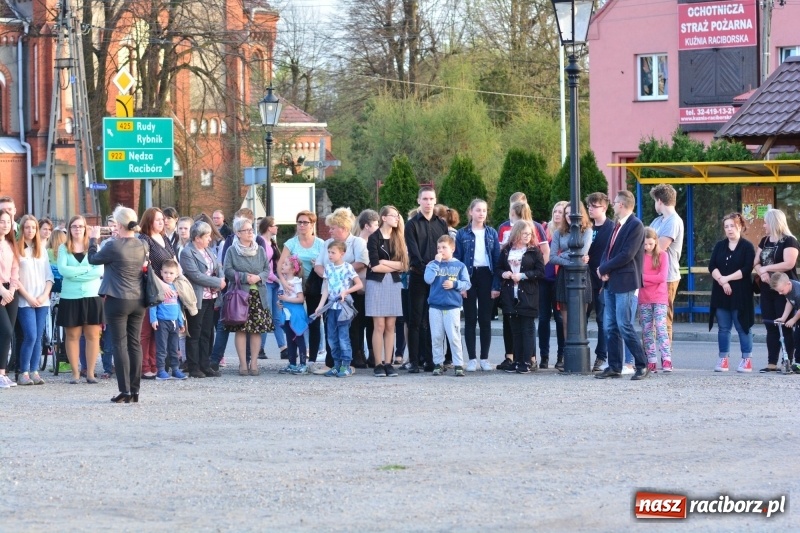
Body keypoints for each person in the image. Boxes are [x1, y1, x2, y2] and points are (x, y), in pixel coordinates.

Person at [87, 207, 148, 403]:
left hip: (117, 298)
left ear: (119, 224)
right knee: (134, 344)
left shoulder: (113, 245)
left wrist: (93, 240)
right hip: (138, 300)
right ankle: (135, 391)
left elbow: (93, 259)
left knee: (119, 345)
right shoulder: (141, 244)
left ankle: (125, 390)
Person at [595, 190, 649, 381]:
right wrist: (603, 268)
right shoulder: (617, 225)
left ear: (623, 205)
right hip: (611, 280)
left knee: (624, 324)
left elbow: (627, 254)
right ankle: (614, 366)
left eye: (615, 202)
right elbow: (608, 251)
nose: (613, 205)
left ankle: (642, 364)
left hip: (625, 281)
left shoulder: (635, 225)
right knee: (610, 326)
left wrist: (605, 267)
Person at [497, 198, 552, 370]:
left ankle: (527, 361)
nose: (527, 236)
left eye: (530, 234)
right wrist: (504, 273)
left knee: (528, 328)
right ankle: (517, 360)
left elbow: (540, 271)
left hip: (527, 292)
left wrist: (522, 275)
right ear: (517, 233)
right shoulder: (507, 249)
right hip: (510, 293)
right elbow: (498, 268)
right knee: (515, 328)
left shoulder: (534, 251)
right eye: (524, 234)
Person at [314, 208, 369, 370]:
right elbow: (318, 265)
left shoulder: (357, 242)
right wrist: (329, 275)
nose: (329, 230)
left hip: (351, 292)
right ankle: (333, 360)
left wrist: (341, 272)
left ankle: (353, 358)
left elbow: (362, 262)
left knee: (352, 327)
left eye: (333, 227)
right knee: (331, 328)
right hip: (330, 292)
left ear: (343, 228)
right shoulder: (326, 244)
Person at [405, 186, 449, 373]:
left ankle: (432, 360)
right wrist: (427, 272)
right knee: (415, 320)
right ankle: (414, 361)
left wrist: (438, 272)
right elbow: (414, 253)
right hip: (418, 275)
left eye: (431, 199)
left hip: (438, 279)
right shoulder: (412, 224)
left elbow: (445, 249)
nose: (428, 202)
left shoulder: (441, 224)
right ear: (419, 201)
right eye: (425, 199)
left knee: (434, 320)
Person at [223, 217, 273, 377]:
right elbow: (227, 271)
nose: (251, 232)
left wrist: (258, 278)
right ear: (238, 233)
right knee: (241, 330)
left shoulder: (260, 250)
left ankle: (254, 363)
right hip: (240, 295)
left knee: (256, 330)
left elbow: (266, 269)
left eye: (252, 229)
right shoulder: (232, 250)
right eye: (247, 230)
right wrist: (244, 277)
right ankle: (243, 364)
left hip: (258, 294)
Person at [57, 215, 104, 384]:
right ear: (69, 229)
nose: (77, 229)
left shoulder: (94, 247)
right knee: (72, 335)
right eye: (74, 226)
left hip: (91, 296)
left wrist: (75, 273)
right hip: (70, 297)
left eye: (81, 226)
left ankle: (90, 373)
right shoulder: (63, 248)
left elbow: (98, 271)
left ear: (86, 229)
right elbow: (63, 270)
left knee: (92, 335)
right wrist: (86, 271)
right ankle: (75, 373)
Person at [455, 199, 500, 372]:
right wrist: (461, 285)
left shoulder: (492, 233)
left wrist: (496, 285)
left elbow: (496, 260)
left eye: (484, 210)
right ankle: (472, 358)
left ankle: (484, 358)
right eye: (478, 210)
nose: (481, 213)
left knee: (485, 319)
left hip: (486, 276)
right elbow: (457, 260)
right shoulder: (462, 234)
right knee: (470, 318)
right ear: (471, 212)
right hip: (469, 276)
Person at [754, 208, 799, 373]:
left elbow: (789, 263)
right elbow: (756, 262)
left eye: (765, 222)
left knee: (785, 325)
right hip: (767, 289)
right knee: (770, 325)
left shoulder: (789, 241)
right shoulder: (764, 241)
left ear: (773, 222)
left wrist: (767, 268)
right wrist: (762, 273)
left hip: (784, 290)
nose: (764, 225)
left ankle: (788, 360)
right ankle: (771, 362)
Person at [707, 214, 754, 372]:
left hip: (741, 293)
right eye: (726, 226)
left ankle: (746, 359)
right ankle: (723, 359)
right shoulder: (720, 246)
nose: (729, 229)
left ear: (739, 226)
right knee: (723, 327)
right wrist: (722, 281)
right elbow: (712, 266)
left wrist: (727, 278)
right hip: (721, 292)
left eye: (732, 226)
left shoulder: (747, 246)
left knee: (743, 326)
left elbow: (747, 269)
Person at [180, 220, 226, 378]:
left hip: (211, 297)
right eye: (206, 236)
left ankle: (205, 365)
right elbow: (195, 275)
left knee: (207, 333)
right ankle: (194, 367)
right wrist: (217, 282)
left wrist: (220, 281)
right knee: (195, 333)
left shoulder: (209, 250)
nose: (209, 238)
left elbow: (218, 267)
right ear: (197, 238)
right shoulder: (187, 252)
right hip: (196, 298)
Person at [550, 202, 593, 371]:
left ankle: (581, 357)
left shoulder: (587, 230)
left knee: (580, 318)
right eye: (566, 213)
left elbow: (583, 251)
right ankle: (569, 357)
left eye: (572, 213)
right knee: (566, 320)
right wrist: (569, 259)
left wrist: (565, 256)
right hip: (564, 275)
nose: (568, 216)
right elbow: (552, 257)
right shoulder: (558, 232)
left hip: (581, 276)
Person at [279, 211, 325, 368]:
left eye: (305, 222)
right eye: (299, 222)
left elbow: (328, 264)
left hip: (313, 285)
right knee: (292, 321)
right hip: (294, 285)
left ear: (312, 224)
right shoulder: (291, 243)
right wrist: (284, 283)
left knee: (314, 320)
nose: (302, 225)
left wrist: (317, 265)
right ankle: (294, 358)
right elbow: (280, 266)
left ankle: (312, 358)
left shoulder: (320, 244)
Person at [366, 205, 408, 378]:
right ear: (383, 217)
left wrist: (386, 263)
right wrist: (392, 265)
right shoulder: (374, 238)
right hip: (377, 283)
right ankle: (378, 363)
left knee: (391, 325)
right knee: (379, 325)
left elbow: (404, 265)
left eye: (398, 216)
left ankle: (389, 363)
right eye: (393, 215)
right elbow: (375, 267)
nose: (397, 218)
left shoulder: (399, 238)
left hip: (394, 283)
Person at [138, 207, 178, 379]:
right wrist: (162, 284)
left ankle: (156, 364)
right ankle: (144, 365)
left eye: (163, 219)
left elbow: (173, 261)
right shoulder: (144, 239)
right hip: (150, 289)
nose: (163, 222)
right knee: (147, 329)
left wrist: (177, 280)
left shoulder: (163, 237)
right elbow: (145, 267)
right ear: (149, 221)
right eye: (158, 220)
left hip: (168, 289)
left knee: (159, 330)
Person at [314, 241, 363, 377]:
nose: (330, 255)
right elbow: (326, 289)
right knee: (332, 337)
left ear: (342, 253)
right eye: (329, 252)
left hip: (343, 308)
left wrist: (346, 292)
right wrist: (320, 306)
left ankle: (346, 365)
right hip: (331, 308)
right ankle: (336, 364)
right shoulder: (328, 268)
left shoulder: (348, 267)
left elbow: (359, 284)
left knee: (343, 337)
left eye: (333, 252)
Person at [15, 215, 53, 386]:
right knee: (30, 335)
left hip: (42, 300)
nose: (30, 230)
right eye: (27, 227)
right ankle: (23, 372)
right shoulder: (17, 249)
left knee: (38, 336)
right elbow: (15, 278)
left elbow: (49, 276)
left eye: (33, 228)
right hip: (25, 300)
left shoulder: (42, 250)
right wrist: (29, 297)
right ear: (22, 229)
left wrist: (44, 295)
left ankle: (34, 371)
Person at [425, 234, 470, 376]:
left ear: (452, 248)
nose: (441, 250)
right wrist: (436, 264)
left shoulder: (459, 265)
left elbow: (467, 283)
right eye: (438, 248)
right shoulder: (432, 264)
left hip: (452, 306)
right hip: (435, 306)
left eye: (444, 247)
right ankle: (438, 363)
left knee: (454, 336)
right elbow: (428, 279)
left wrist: (455, 284)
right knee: (437, 336)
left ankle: (458, 364)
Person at [649, 184, 684, 343]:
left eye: (655, 201)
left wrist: (646, 244)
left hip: (667, 276)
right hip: (652, 275)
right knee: (651, 319)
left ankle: (666, 356)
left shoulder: (673, 221)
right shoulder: (658, 220)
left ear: (659, 200)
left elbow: (659, 247)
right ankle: (651, 358)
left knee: (664, 318)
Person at [585, 192, 615, 372]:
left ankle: (601, 356)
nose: (590, 209)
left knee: (603, 319)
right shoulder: (585, 227)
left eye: (594, 206)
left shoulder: (611, 228)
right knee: (582, 317)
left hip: (603, 279)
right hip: (584, 279)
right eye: (589, 206)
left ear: (603, 208)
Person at [640, 227, 672, 373]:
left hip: (659, 296)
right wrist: (649, 280)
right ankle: (651, 360)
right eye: (645, 244)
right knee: (646, 329)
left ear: (656, 242)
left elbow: (662, 277)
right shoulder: (639, 256)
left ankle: (666, 359)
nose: (647, 247)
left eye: (650, 244)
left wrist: (644, 278)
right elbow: (638, 277)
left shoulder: (663, 255)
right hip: (644, 296)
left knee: (660, 327)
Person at [150, 259, 187, 380]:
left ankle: (175, 369)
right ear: (161, 272)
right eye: (166, 272)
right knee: (162, 348)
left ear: (176, 274)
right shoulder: (159, 287)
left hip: (174, 322)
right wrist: (153, 319)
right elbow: (153, 304)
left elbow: (178, 307)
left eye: (171, 273)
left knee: (174, 348)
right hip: (162, 322)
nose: (168, 275)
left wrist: (180, 322)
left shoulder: (176, 288)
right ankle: (161, 370)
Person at [352, 209, 379, 367]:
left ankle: (373, 353)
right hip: (358, 286)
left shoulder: (376, 241)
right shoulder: (356, 242)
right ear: (367, 226)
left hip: (373, 286)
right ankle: (358, 353)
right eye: (376, 224)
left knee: (372, 322)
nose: (378, 227)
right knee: (357, 322)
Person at [259, 216, 287, 359]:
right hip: (266, 283)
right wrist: (278, 280)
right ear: (269, 227)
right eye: (275, 225)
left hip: (275, 283)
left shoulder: (273, 243)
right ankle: (259, 349)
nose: (277, 228)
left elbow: (278, 264)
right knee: (266, 316)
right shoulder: (261, 242)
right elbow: (263, 268)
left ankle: (283, 348)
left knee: (277, 317)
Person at [276, 255, 309, 374]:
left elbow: (300, 299)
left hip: (295, 314)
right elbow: (282, 297)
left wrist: (286, 299)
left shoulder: (296, 282)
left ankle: (303, 364)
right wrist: (280, 303)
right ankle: (292, 363)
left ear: (293, 269)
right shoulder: (283, 282)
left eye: (285, 264)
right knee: (290, 339)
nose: (282, 266)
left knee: (299, 338)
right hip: (286, 314)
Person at [0, 209, 19, 389]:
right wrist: (2, 291)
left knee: (8, 333)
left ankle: (3, 373)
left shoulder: (10, 244)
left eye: (7, 222)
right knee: (4, 331)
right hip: (0, 290)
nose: (4, 225)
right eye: (1, 221)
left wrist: (11, 290)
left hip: (10, 291)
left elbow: (15, 269)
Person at [770, 273, 800, 373]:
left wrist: (793, 320)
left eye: (781, 291)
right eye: (778, 291)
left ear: (788, 284)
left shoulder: (797, 292)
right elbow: (789, 302)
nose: (780, 293)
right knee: (797, 338)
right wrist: (784, 318)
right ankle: (798, 363)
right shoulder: (788, 290)